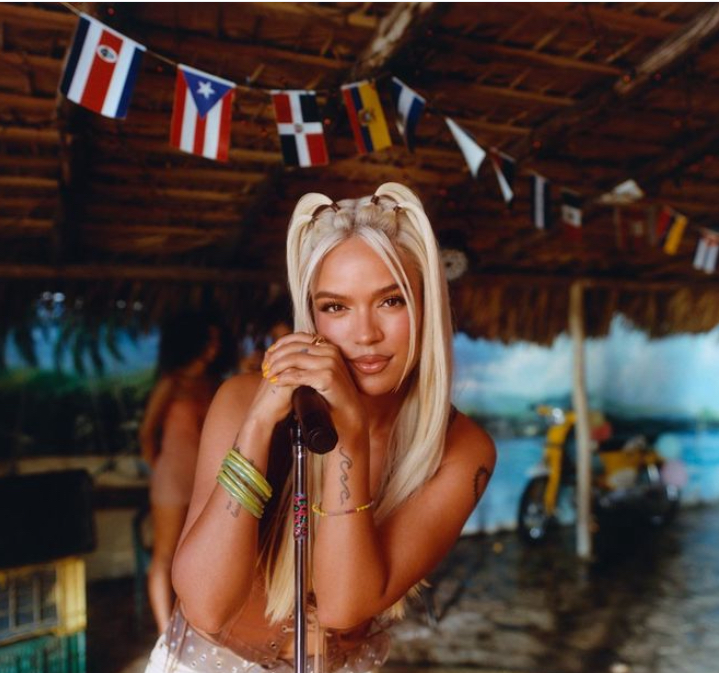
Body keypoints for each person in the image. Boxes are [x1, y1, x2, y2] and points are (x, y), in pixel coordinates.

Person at [144, 183, 496, 672]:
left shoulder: (461, 449)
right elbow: (206, 605)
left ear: (426, 306)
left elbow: (342, 607)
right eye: (336, 307)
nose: (365, 334)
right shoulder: (242, 400)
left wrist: (349, 438)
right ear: (311, 317)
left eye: (391, 301)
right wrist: (257, 425)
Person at [139, 309, 227, 634]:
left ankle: (197, 627)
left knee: (200, 555)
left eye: (217, 340)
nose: (214, 347)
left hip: (209, 480)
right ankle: (166, 633)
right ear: (192, 342)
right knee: (165, 554)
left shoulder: (216, 384)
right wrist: (161, 469)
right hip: (173, 478)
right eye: (208, 340)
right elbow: (147, 434)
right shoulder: (171, 383)